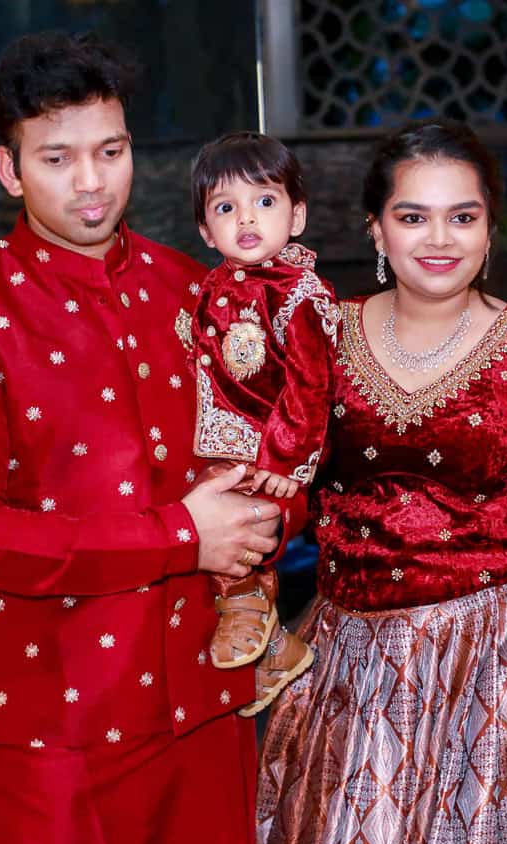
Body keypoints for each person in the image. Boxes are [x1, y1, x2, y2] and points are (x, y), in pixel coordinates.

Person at [0, 32, 304, 844]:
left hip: (207, 710)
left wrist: (271, 505)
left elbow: (268, 455)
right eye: (57, 157)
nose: (91, 181)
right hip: (62, 736)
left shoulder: (194, 289)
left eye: (111, 150)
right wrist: (180, 535)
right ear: (10, 171)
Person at [256, 119, 507, 844]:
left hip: (502, 660)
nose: (438, 238)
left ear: (489, 229)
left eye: (461, 216)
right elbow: (275, 470)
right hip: (357, 669)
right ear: (376, 229)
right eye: (412, 217)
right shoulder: (320, 338)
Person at [184, 132, 339, 715]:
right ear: (206, 231)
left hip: (265, 454)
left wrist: (284, 461)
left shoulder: (300, 295)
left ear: (296, 215)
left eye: (265, 202)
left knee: (238, 535)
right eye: (226, 208)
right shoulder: (212, 288)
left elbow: (312, 385)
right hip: (216, 447)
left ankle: (251, 613)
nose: (247, 218)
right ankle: (275, 646)